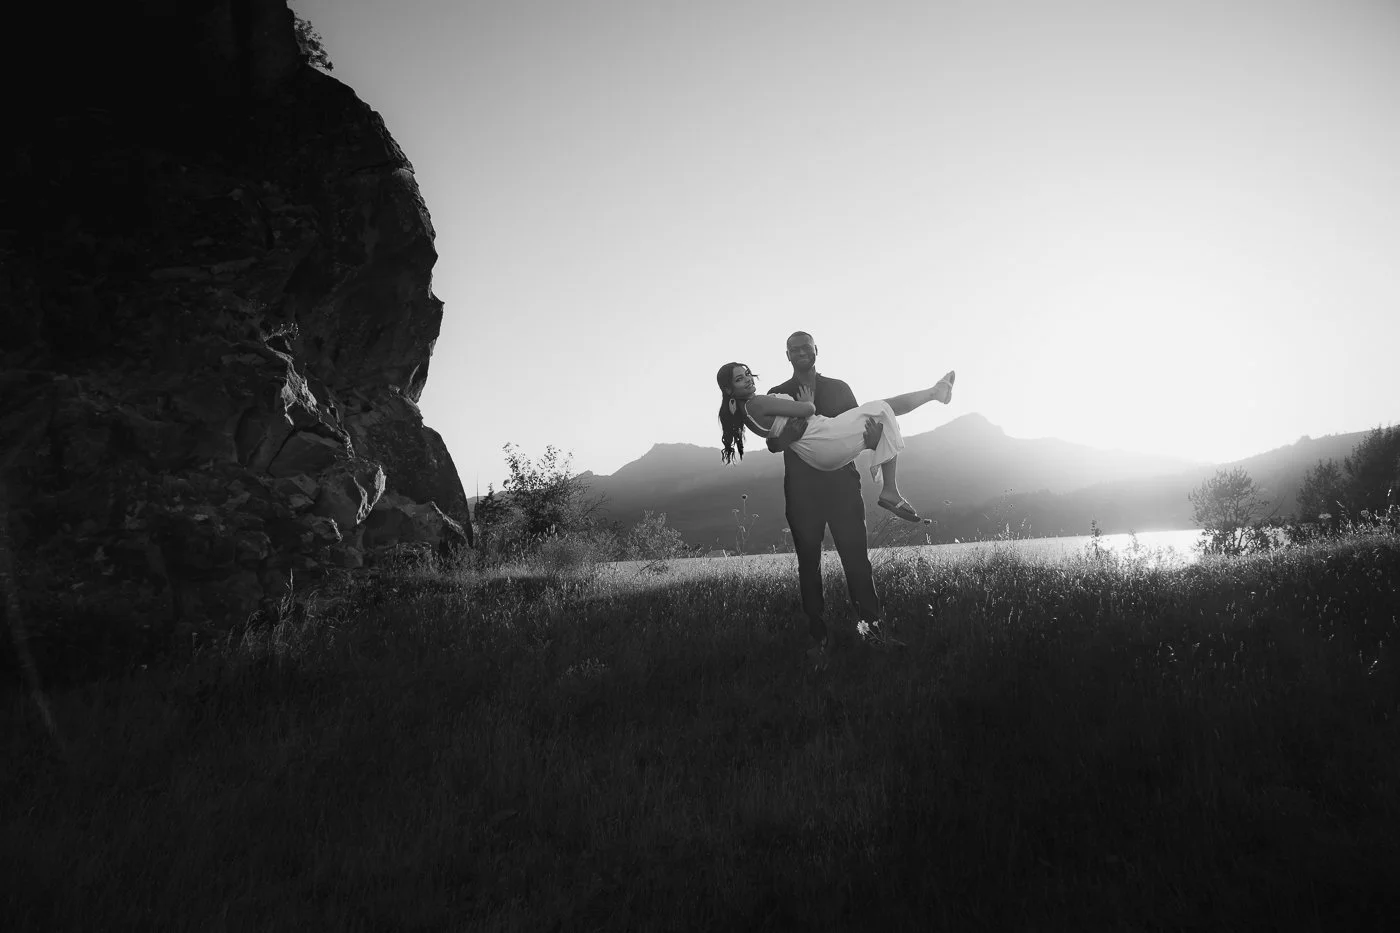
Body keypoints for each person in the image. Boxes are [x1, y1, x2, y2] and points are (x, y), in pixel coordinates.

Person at [712, 331, 955, 667]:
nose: (800, 352)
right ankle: (818, 640)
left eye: (805, 347)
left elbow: (859, 433)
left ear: (815, 350)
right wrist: (790, 434)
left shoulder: (839, 388)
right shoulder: (775, 393)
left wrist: (872, 443)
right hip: (802, 491)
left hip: (843, 485)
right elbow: (772, 442)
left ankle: (874, 634)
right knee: (808, 568)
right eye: (793, 349)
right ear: (787, 355)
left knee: (857, 562)